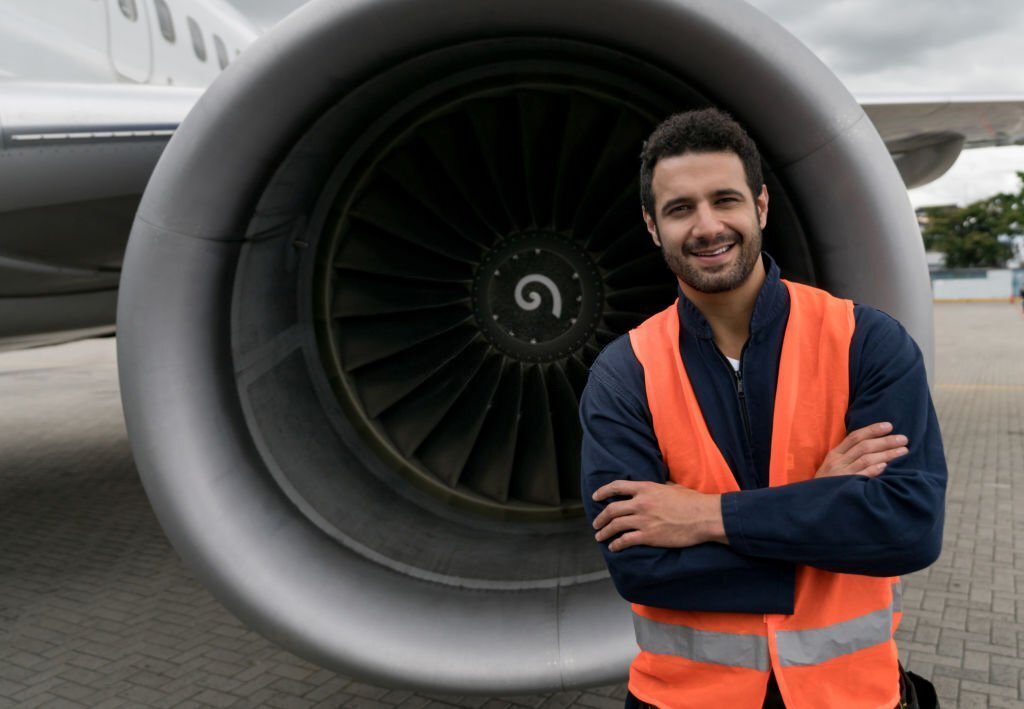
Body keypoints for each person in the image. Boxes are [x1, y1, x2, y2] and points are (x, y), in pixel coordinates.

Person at [580, 108, 947, 709]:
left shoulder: (865, 341)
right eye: (679, 209)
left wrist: (704, 517)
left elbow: (908, 528)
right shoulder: (626, 372)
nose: (706, 226)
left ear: (761, 207)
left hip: (849, 697)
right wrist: (823, 505)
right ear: (652, 227)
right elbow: (640, 565)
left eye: (724, 200)